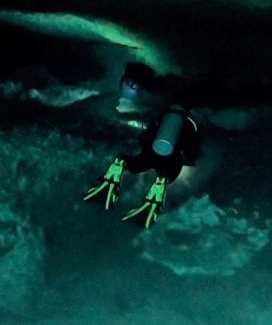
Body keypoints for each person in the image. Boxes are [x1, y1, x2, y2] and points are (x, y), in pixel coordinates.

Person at [82, 63, 201, 228]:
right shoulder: (186, 123)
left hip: (149, 154)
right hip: (171, 163)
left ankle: (108, 184)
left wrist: (140, 139)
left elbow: (147, 133)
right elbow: (191, 150)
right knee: (163, 177)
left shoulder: (162, 115)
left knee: (124, 160)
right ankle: (153, 200)